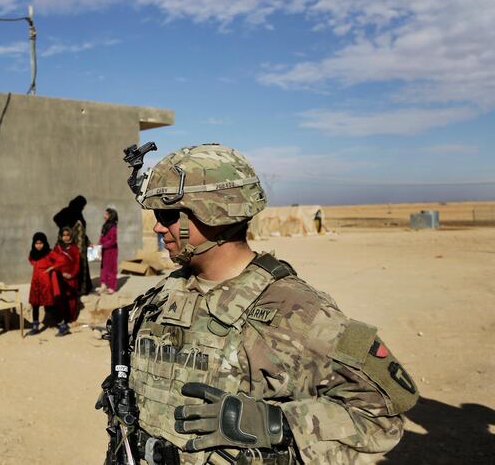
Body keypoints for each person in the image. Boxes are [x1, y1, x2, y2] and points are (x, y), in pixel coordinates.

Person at [102, 143, 418, 464]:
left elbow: (380, 416)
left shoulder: (296, 311)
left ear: (215, 212)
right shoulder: (162, 295)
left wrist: (277, 424)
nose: (157, 226)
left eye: (167, 215)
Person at [53, 195, 94, 295]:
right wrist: (67, 229)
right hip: (71, 247)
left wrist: (88, 242)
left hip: (81, 247)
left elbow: (82, 231)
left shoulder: (79, 214)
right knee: (72, 267)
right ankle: (74, 289)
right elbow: (56, 219)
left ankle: (84, 289)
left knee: (82, 268)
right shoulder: (67, 212)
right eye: (83, 205)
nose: (83, 208)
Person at [49, 227, 80, 336]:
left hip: (71, 278)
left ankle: (70, 319)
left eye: (68, 235)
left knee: (70, 299)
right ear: (61, 236)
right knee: (60, 298)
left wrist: (71, 274)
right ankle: (61, 319)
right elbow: (52, 260)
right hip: (59, 278)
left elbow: (77, 263)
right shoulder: (57, 248)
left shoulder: (74, 248)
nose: (66, 237)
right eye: (64, 235)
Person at [27, 232, 56, 335]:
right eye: (36, 243)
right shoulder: (32, 254)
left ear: (45, 243)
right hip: (35, 282)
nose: (38, 245)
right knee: (35, 304)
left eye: (41, 243)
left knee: (48, 303)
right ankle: (35, 326)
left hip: (46, 282)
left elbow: (57, 261)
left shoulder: (49, 253)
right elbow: (31, 261)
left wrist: (51, 268)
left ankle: (59, 323)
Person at [98, 207, 119, 294]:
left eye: (106, 214)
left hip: (111, 251)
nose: (104, 215)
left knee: (111, 268)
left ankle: (111, 287)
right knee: (103, 267)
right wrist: (99, 245)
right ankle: (103, 285)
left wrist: (103, 245)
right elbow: (102, 236)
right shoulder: (105, 225)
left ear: (111, 216)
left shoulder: (113, 227)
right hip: (104, 250)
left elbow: (113, 241)